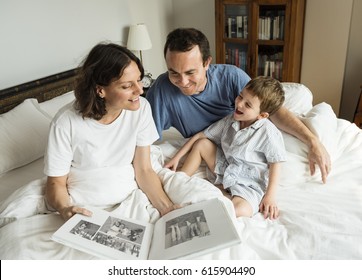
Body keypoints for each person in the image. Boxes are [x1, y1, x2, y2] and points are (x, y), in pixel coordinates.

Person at [146, 27, 331, 183]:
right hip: (217, 145)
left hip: (248, 132)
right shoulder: (162, 90)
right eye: (174, 73)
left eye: (190, 72)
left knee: (302, 98)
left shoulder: (231, 76)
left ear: (207, 63)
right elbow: (144, 137)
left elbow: (273, 111)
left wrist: (313, 141)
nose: (183, 81)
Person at [44, 43, 178, 221]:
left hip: (130, 196)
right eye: (126, 86)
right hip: (85, 201)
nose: (140, 90)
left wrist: (167, 209)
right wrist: (65, 209)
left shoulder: (141, 108)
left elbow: (144, 169)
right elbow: (55, 183)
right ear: (100, 90)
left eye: (139, 80)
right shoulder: (65, 123)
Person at [165, 76, 286, 219]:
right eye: (240, 96)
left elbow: (276, 164)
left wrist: (270, 196)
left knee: (241, 210)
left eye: (248, 105)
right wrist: (176, 158)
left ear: (262, 115)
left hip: (248, 183)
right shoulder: (230, 119)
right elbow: (201, 136)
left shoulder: (268, 133)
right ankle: (180, 182)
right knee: (202, 144)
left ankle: (198, 209)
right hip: (226, 168)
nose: (239, 104)